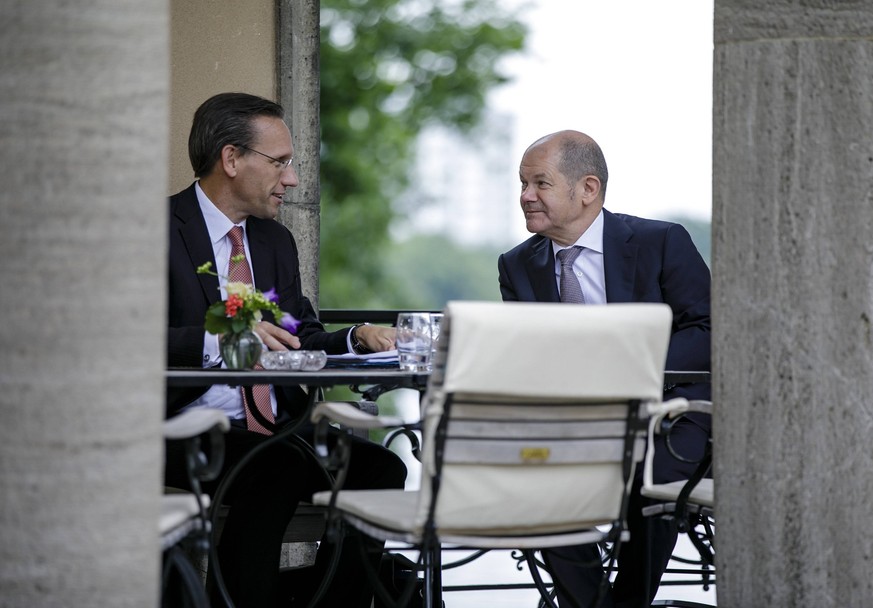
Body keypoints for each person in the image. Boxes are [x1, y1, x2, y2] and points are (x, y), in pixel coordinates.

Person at [164, 92, 407, 608]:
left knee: (383, 470)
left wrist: (356, 335)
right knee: (277, 466)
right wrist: (222, 341)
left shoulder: (274, 241)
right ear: (231, 160)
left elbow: (300, 332)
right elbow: (118, 339)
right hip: (182, 428)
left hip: (275, 427)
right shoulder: (152, 233)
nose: (292, 179)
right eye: (280, 162)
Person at [497, 130, 711, 608]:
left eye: (540, 183)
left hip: (667, 415)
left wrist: (629, 372)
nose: (525, 196)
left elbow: (709, 327)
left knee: (649, 472)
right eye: (523, 183)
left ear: (587, 189)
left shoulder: (661, 241)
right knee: (529, 471)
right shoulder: (516, 265)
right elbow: (526, 352)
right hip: (571, 422)